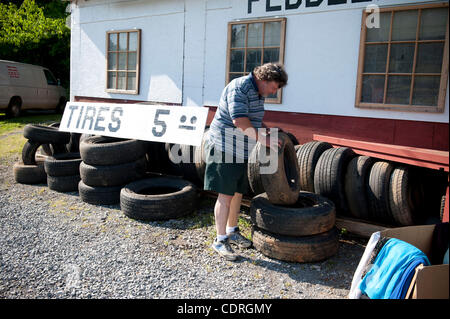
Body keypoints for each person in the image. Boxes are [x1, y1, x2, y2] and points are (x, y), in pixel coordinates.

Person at [204, 63, 288, 261]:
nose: (274, 92)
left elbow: (253, 122)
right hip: (224, 146)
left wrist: (264, 131)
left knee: (237, 192)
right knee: (225, 195)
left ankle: (232, 231)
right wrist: (264, 139)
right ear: (264, 80)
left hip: (242, 149)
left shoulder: (258, 93)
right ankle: (220, 240)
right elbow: (240, 121)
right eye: (274, 87)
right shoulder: (239, 87)